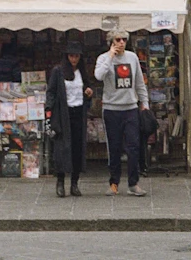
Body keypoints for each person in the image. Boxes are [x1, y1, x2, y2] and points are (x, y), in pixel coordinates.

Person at [94, 29, 149, 196]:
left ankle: (134, 183)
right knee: (114, 147)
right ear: (111, 41)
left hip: (130, 108)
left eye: (124, 39)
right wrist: (111, 56)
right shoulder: (103, 58)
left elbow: (139, 82)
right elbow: (98, 76)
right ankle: (114, 182)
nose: (121, 42)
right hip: (111, 109)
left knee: (133, 146)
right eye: (118, 39)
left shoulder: (132, 58)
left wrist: (144, 103)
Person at [45, 41, 93, 197]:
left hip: (78, 112)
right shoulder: (58, 72)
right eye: (71, 56)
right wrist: (49, 111)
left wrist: (88, 93)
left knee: (77, 148)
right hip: (63, 115)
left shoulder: (81, 72)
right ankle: (60, 181)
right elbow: (51, 92)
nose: (74, 59)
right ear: (67, 56)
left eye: (77, 56)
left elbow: (87, 88)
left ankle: (74, 183)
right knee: (62, 148)